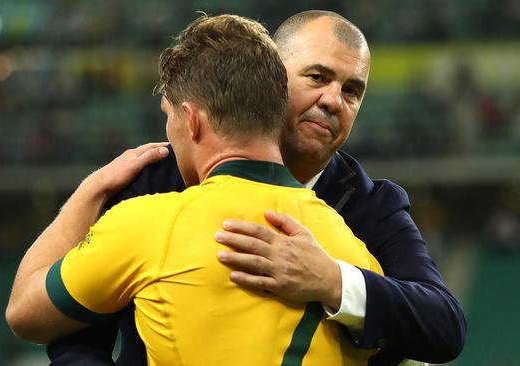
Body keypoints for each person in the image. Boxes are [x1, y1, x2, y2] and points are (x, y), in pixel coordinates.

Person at [48, 10, 467, 366]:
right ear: (271, 80)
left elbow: (443, 325)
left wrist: (332, 281)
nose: (333, 101)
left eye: (352, 91)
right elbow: (77, 328)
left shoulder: (369, 204)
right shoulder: (161, 177)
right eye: (317, 77)